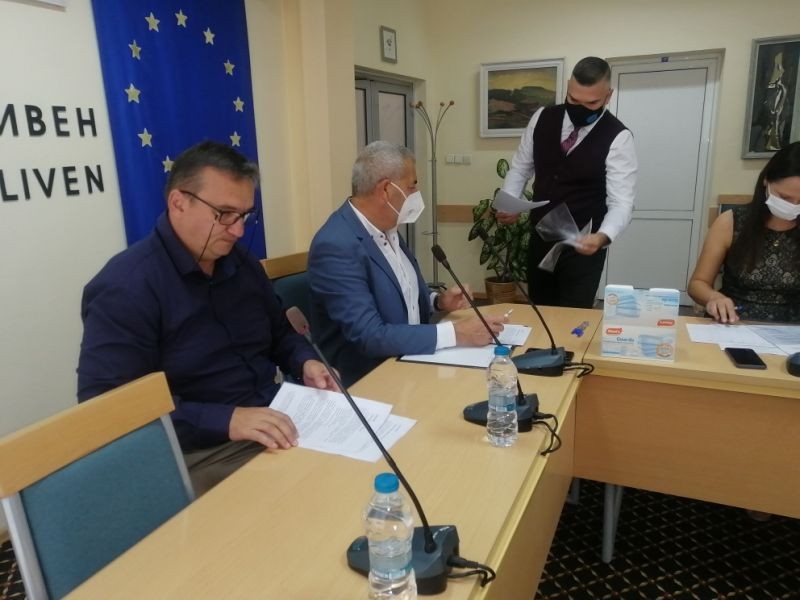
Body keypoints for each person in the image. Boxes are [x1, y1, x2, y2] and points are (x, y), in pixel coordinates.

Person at [77, 140, 338, 494]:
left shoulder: (241, 264)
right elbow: (109, 409)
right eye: (224, 214)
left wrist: (306, 361)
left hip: (275, 419)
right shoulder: (126, 287)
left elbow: (279, 332)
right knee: (316, 494)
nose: (238, 231)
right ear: (178, 203)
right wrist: (227, 419)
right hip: (200, 452)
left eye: (244, 216)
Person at [308, 141, 507, 387]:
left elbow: (400, 292)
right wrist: (456, 333)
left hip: (412, 363)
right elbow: (369, 336)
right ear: (386, 190)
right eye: (412, 185)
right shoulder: (336, 244)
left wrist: (438, 301)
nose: (416, 193)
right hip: (370, 380)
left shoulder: (387, 227)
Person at [498, 56, 637, 308]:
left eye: (592, 103)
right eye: (573, 99)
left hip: (583, 246)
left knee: (574, 316)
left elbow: (622, 202)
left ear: (608, 96)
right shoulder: (542, 117)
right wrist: (510, 202)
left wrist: (603, 236)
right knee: (540, 310)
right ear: (567, 87)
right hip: (541, 237)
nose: (581, 108)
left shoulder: (618, 137)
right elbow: (520, 168)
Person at [688, 141, 800, 324]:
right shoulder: (730, 222)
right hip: (734, 323)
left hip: (791, 330)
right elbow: (697, 284)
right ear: (766, 181)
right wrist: (714, 298)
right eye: (785, 197)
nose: (793, 206)